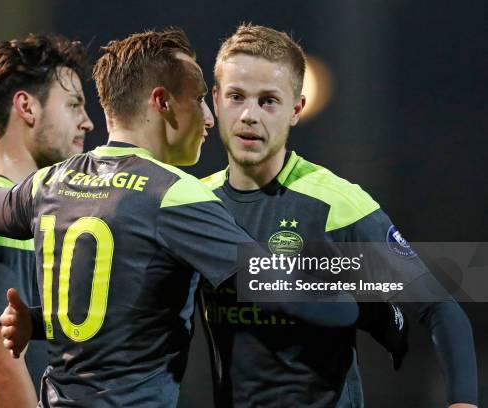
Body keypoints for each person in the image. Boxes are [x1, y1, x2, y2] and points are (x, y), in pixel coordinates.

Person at [0, 28, 359, 407]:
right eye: (198, 99)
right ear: (161, 102)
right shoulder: (175, 195)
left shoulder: (51, 182)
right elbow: (298, 298)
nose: (210, 118)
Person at [199, 23, 478, 408]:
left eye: (268, 101)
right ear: (215, 100)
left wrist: (462, 402)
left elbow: (439, 307)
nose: (249, 115)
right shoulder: (195, 204)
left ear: (296, 109)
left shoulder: (338, 204)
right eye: (236, 97)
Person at [0, 33, 94, 408]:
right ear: (26, 107)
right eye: (74, 105)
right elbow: (2, 370)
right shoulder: (4, 226)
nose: (87, 122)